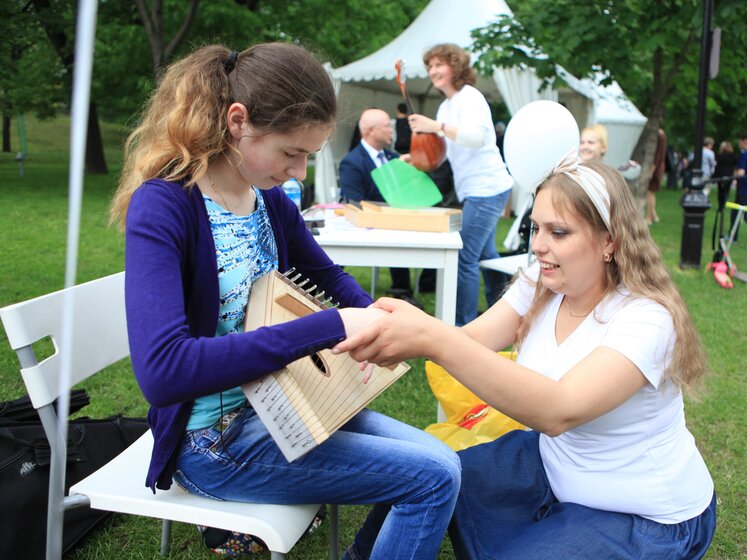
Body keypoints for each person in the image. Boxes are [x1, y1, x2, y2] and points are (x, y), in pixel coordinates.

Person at [109, 43, 460, 560]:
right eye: (291, 152)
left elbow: (327, 275)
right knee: (432, 479)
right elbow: (163, 373)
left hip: (283, 405)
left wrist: (376, 316)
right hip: (213, 442)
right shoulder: (164, 205)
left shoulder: (267, 199)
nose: (300, 172)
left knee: (444, 461)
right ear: (238, 121)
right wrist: (332, 326)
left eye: (309, 156)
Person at [335, 154, 717, 560]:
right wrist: (394, 336)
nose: (538, 245)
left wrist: (431, 338)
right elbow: (471, 340)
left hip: (643, 514)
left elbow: (559, 410)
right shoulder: (543, 280)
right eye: (536, 228)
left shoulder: (647, 319)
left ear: (609, 241)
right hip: (553, 466)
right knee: (423, 473)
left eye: (558, 232)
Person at [406, 43, 513, 326]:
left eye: (439, 64)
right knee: (487, 256)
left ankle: (462, 326)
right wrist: (415, 158)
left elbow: (477, 138)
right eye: (430, 66)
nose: (433, 71)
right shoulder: (445, 107)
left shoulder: (470, 97)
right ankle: (504, 317)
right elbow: (442, 153)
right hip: (477, 190)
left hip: (487, 188)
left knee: (464, 256)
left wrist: (436, 127)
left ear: (455, 67)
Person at [339, 108, 420, 306]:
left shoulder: (393, 157)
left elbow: (406, 194)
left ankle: (402, 290)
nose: (392, 130)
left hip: (396, 224)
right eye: (387, 126)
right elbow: (356, 202)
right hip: (365, 227)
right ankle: (329, 285)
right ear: (370, 130)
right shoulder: (351, 162)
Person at [646, 128, 668, 225]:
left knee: (650, 192)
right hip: (658, 167)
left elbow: (658, 156)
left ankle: (649, 217)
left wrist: (652, 170)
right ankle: (654, 216)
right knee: (650, 192)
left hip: (656, 168)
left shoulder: (659, 136)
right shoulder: (661, 135)